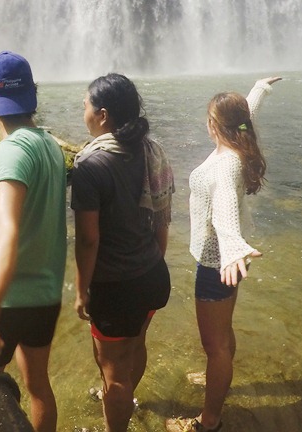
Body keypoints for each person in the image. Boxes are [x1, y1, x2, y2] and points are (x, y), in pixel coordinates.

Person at [0, 51, 68, 432]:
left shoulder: (11, 151)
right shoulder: (51, 146)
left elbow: (6, 230)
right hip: (44, 296)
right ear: (32, 94)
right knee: (38, 385)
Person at [166, 76, 282, 432]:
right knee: (222, 335)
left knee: (214, 345)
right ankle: (216, 374)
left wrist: (231, 248)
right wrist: (259, 89)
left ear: (214, 125)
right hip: (229, 259)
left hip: (219, 262)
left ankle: (208, 422)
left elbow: (224, 210)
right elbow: (246, 115)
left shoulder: (226, 162)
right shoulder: (234, 142)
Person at [71, 73, 175, 432]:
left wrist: (81, 289)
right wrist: (152, 263)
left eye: (83, 106)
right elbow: (162, 222)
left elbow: (87, 240)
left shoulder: (90, 166)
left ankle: (117, 415)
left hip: (114, 288)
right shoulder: (151, 150)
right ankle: (126, 399)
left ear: (102, 115)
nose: (81, 112)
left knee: (113, 373)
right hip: (152, 277)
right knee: (136, 344)